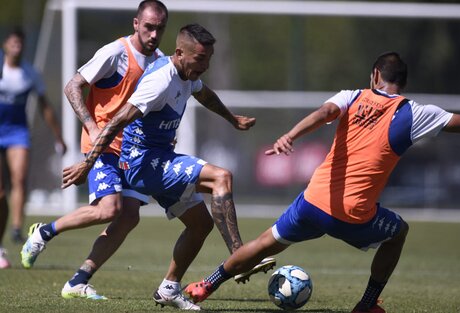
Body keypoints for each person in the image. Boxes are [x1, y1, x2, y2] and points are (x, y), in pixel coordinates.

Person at [183, 51, 460, 313]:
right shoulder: (415, 114)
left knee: (263, 243)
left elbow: (324, 114)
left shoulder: (352, 96)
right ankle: (367, 305)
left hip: (312, 201)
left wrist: (290, 136)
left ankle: (206, 284)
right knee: (398, 233)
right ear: (403, 84)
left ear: (375, 76)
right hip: (352, 215)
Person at [61, 23, 275, 310]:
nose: (205, 66)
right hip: (142, 163)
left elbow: (204, 94)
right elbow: (118, 121)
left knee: (201, 225)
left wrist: (232, 118)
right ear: (179, 53)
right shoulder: (160, 79)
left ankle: (169, 288)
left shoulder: (187, 74)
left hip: (158, 159)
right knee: (221, 176)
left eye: (208, 59)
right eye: (200, 59)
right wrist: (88, 163)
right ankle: (240, 256)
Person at [20, 0, 169, 298]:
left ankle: (78, 281)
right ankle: (44, 232)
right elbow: (73, 86)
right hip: (102, 143)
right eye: (149, 27)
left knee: (129, 217)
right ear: (136, 24)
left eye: (160, 29)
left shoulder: (162, 62)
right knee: (109, 209)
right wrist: (91, 125)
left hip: (134, 150)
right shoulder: (115, 53)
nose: (154, 34)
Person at [0, 29, 66, 268]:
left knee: (19, 177)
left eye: (21, 42)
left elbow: (45, 106)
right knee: (0, 192)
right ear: (5, 45)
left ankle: (17, 228)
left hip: (17, 133)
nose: (17, 46)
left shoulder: (29, 73)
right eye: (13, 42)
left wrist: (59, 136)